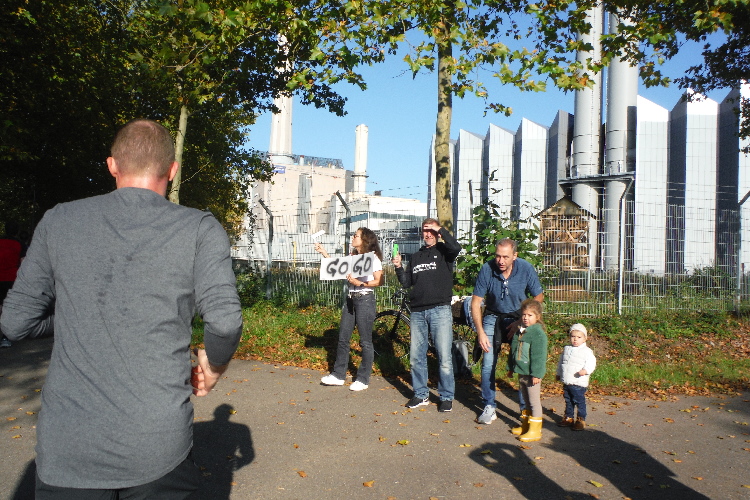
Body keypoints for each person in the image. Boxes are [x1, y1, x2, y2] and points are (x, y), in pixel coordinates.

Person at [0, 119, 243, 498]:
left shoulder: (59, 220)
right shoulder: (199, 228)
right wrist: (213, 368)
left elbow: (15, 322)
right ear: (172, 170)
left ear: (112, 165)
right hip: (158, 446)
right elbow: (225, 323)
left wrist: (76, 316)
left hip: (69, 447)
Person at [471, 238, 544, 425]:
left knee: (523, 362)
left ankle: (525, 408)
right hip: (493, 316)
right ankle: (489, 405)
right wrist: (480, 332)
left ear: (515, 256)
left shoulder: (525, 268)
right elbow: (476, 302)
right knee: (488, 362)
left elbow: (538, 296)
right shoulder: (487, 269)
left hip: (518, 317)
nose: (500, 261)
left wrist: (521, 321)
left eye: (505, 257)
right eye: (498, 256)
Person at [393, 218, 461, 412]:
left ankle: (446, 396)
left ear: (437, 232)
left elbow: (456, 247)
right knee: (416, 357)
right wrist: (398, 267)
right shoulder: (416, 257)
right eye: (425, 230)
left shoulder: (444, 252)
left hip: (440, 310)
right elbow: (407, 282)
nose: (428, 234)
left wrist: (441, 229)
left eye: (431, 230)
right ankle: (421, 394)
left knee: (444, 357)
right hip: (417, 312)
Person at [315, 228, 383, 391]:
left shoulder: (372, 258)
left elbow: (379, 280)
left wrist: (360, 283)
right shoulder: (352, 257)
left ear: (365, 240)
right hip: (351, 299)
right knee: (343, 337)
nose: (353, 238)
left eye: (356, 236)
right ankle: (339, 375)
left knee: (365, 341)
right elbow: (337, 268)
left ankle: (363, 379)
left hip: (365, 299)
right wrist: (324, 252)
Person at [506, 298, 548, 442]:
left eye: (530, 315)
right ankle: (526, 425)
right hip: (522, 372)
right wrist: (511, 368)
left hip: (531, 375)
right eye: (524, 314)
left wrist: (537, 374)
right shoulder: (520, 331)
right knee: (526, 401)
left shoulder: (537, 334)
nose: (526, 318)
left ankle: (535, 431)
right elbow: (513, 351)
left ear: (537, 317)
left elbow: (539, 356)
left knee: (534, 402)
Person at [556, 323, 596, 431]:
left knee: (579, 401)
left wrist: (586, 370)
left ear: (584, 338)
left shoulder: (587, 351)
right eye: (573, 336)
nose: (575, 339)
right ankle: (568, 417)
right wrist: (558, 373)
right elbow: (561, 363)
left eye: (579, 337)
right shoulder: (567, 349)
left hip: (578, 382)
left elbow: (591, 363)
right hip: (567, 381)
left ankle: (580, 419)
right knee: (568, 401)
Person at [0, 220, 26, 348]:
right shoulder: (20, 244)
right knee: (8, 308)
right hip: (11, 279)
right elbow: (23, 263)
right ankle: (5, 337)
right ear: (17, 231)